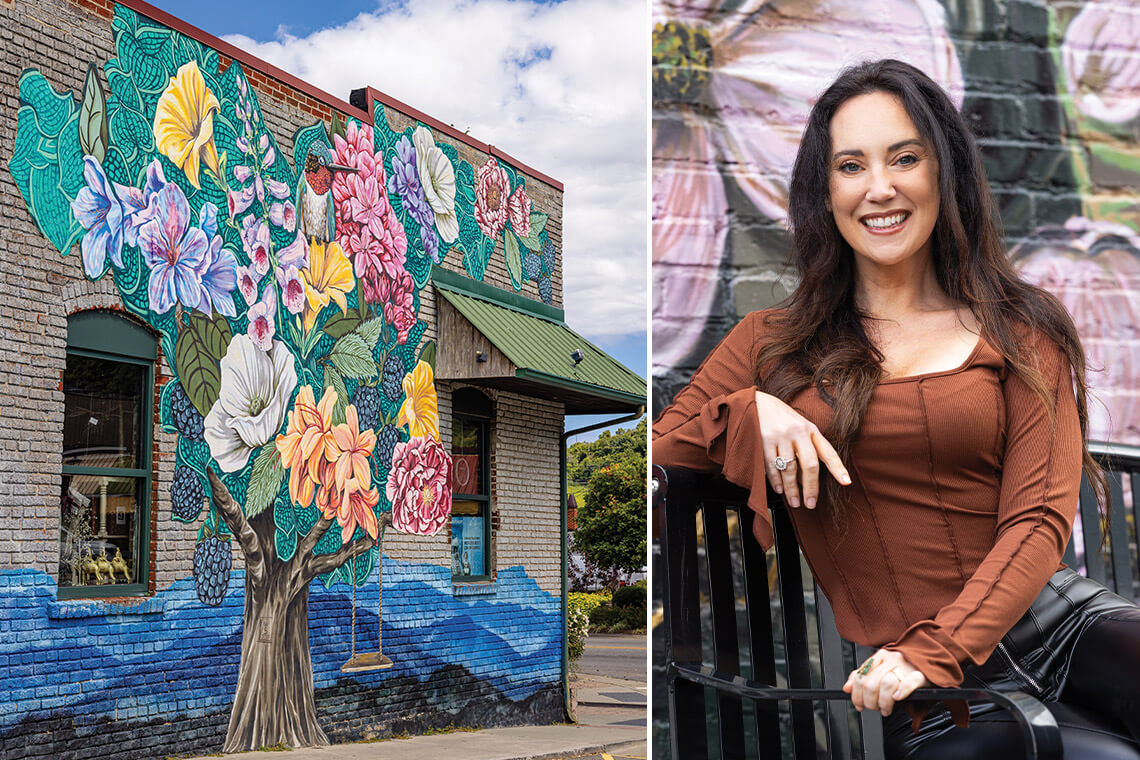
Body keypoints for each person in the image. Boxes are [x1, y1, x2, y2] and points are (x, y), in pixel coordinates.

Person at [652, 58, 1140, 759]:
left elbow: (1037, 519)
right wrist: (754, 410)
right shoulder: (770, 344)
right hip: (931, 689)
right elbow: (663, 451)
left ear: (943, 170)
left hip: (1057, 624)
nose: (879, 188)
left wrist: (938, 647)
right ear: (825, 191)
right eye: (851, 166)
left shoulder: (1021, 329)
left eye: (904, 158)